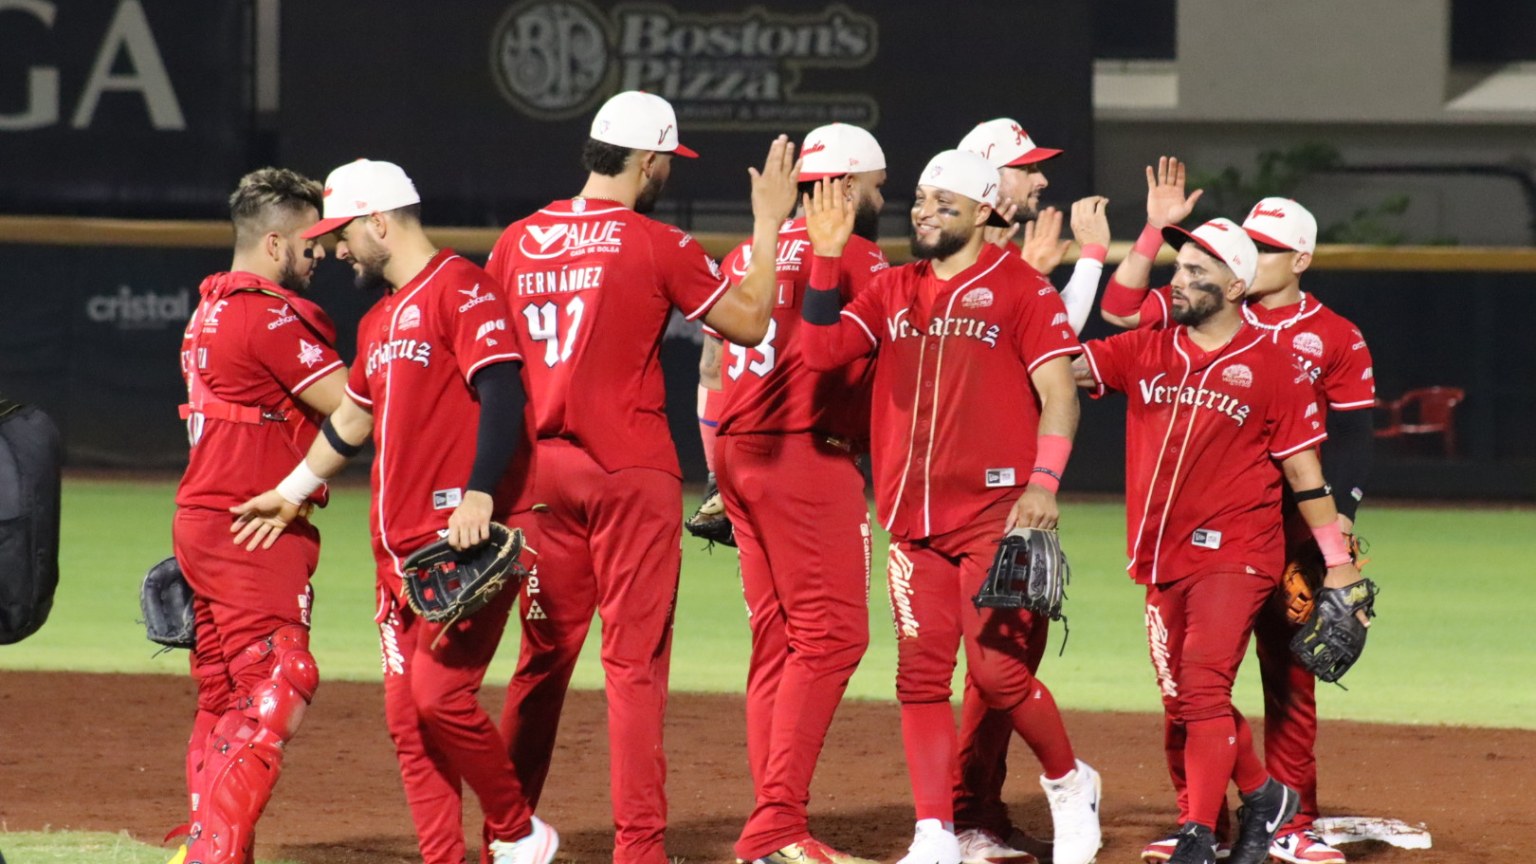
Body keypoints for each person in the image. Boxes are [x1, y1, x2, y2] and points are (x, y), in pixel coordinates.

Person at [483, 91, 799, 864]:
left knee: (540, 661)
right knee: (633, 668)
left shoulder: (516, 242)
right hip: (629, 472)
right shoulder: (658, 242)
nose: (667, 174)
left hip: (538, 476)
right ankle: (639, 850)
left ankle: (506, 839)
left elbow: (489, 368)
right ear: (650, 161)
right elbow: (752, 321)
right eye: (668, 163)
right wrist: (768, 222)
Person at [230, 158, 555, 864]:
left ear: (379, 221)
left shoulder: (462, 287)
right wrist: (291, 491)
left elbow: (502, 390)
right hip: (395, 557)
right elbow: (351, 420)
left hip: (459, 545)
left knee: (441, 698)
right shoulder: (379, 319)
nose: (337, 248)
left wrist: (479, 491)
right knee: (409, 725)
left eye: (344, 232)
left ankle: (520, 831)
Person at [798, 149, 1102, 864]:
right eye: (921, 199)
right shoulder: (891, 287)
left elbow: (1060, 393)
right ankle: (933, 832)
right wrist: (826, 259)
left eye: (945, 203)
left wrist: (1044, 481)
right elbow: (820, 353)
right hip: (911, 517)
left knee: (998, 674)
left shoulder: (1022, 288)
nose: (926, 212)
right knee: (920, 678)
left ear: (983, 211)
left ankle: (1069, 783)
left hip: (997, 512)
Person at [1100, 164, 1375, 864]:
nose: (1256, 251)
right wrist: (1152, 230)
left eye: (1269, 246)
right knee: (1188, 687)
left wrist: (1340, 537)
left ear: (1299, 259)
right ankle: (1204, 819)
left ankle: (1291, 820)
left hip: (1284, 530)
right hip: (1184, 531)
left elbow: (1348, 441)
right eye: (1251, 240)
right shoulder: (1193, 312)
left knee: (1288, 680)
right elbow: (1118, 314)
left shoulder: (1331, 336)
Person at [695, 122, 890, 864]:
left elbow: (712, 368)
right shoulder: (862, 259)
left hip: (738, 454)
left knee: (779, 642)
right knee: (834, 636)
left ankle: (772, 825)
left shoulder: (749, 250)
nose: (882, 199)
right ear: (846, 187)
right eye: (876, 186)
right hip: (805, 456)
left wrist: (717, 472)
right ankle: (777, 825)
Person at [166, 167, 343, 864]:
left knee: (225, 694)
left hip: (207, 514)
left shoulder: (209, 308)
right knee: (278, 681)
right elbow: (352, 406)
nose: (320, 253)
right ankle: (215, 855)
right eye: (309, 241)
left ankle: (209, 847)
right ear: (274, 243)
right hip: (252, 522)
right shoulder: (265, 314)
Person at [951, 117, 1113, 864]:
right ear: (988, 174)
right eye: (1027, 167)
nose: (1042, 178)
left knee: (1002, 661)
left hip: (1014, 486)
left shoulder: (1009, 256)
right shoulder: (967, 259)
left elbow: (1053, 350)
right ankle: (963, 814)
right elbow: (1052, 345)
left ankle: (974, 814)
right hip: (966, 492)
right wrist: (1081, 264)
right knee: (986, 664)